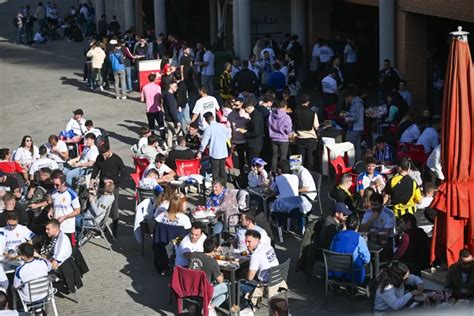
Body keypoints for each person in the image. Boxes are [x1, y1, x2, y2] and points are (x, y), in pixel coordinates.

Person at [90, 141, 126, 237]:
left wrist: (112, 181)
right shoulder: (99, 157)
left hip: (113, 187)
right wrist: (92, 179)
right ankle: (100, 229)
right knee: (100, 208)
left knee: (114, 209)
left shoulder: (116, 159)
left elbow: (123, 172)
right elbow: (96, 169)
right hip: (102, 186)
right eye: (103, 156)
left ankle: (114, 231)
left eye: (106, 155)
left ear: (109, 150)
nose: (104, 158)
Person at [240, 230, 280, 311]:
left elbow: (250, 278)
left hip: (265, 287)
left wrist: (246, 271)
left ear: (257, 240)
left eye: (249, 242)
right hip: (278, 280)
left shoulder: (256, 255)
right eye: (246, 241)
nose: (247, 244)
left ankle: (247, 307)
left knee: (237, 283)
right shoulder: (268, 246)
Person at [188, 238, 228, 314]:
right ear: (215, 249)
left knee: (223, 293)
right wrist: (221, 273)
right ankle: (210, 307)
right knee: (228, 287)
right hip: (203, 292)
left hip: (190, 287)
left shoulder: (193, 254)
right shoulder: (212, 262)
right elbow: (220, 281)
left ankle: (209, 307)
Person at [330, 215, 370, 283]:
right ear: (357, 227)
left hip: (335, 270)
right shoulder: (358, 238)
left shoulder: (336, 235)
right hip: (352, 274)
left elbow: (331, 250)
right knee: (367, 265)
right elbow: (367, 259)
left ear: (346, 225)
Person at [197, 113, 230, 183]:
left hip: (214, 153)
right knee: (222, 170)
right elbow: (229, 136)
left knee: (215, 172)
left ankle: (216, 187)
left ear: (206, 120)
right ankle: (224, 186)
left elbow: (203, 143)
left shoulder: (208, 129)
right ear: (213, 117)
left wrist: (200, 152)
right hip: (223, 152)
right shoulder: (222, 126)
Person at [293, 95, 319, 170]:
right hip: (311, 138)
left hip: (300, 137)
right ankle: (310, 171)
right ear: (308, 102)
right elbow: (316, 127)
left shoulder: (295, 112)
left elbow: (294, 124)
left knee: (300, 157)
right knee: (310, 156)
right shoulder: (312, 113)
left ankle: (298, 171)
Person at [227, 97, 250, 174]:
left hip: (247, 139)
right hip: (237, 140)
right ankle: (242, 173)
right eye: (234, 104)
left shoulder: (246, 113)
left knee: (249, 158)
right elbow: (229, 128)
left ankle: (251, 172)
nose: (235, 106)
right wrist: (230, 140)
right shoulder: (230, 115)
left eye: (237, 104)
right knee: (241, 158)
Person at [268, 100, 292, 171]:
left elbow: (268, 124)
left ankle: (273, 171)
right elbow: (288, 130)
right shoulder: (286, 117)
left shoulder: (271, 115)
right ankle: (282, 171)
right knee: (283, 157)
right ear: (285, 106)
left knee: (274, 156)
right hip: (283, 139)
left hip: (273, 138)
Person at [344, 87, 365, 161]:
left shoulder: (355, 103)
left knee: (349, 146)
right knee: (357, 146)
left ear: (349, 96)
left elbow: (355, 117)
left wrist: (347, 118)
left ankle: (350, 163)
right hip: (360, 128)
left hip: (354, 128)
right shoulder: (360, 102)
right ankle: (358, 162)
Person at [163, 81, 180, 148]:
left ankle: (169, 147)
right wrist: (177, 121)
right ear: (171, 86)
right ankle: (177, 147)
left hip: (167, 118)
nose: (177, 88)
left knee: (170, 134)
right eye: (175, 86)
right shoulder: (170, 97)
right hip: (172, 119)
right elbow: (172, 110)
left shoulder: (166, 95)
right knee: (178, 133)